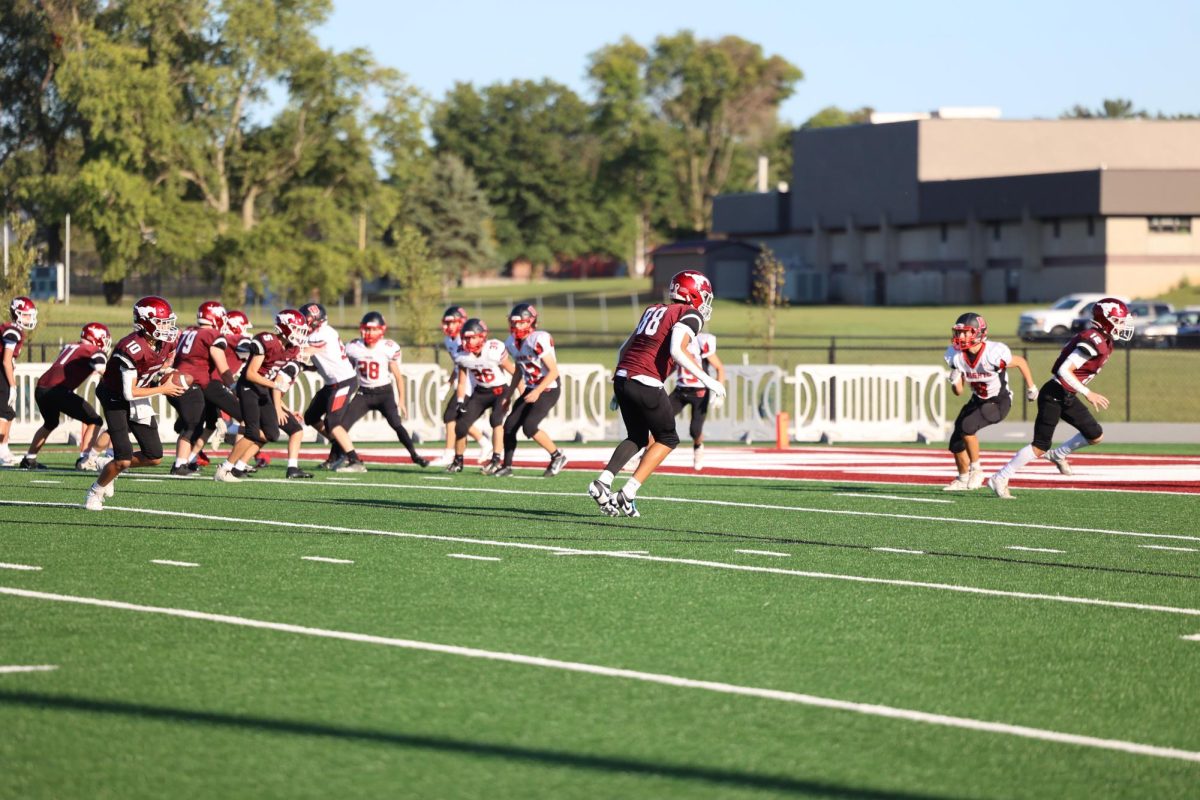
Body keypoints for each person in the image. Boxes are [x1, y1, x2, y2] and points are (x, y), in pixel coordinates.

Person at [589, 271, 725, 517]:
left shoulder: (653, 309)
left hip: (623, 376)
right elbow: (677, 350)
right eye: (703, 296)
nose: (705, 302)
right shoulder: (689, 314)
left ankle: (602, 482)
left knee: (638, 437)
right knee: (668, 438)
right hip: (645, 379)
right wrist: (708, 380)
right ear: (692, 293)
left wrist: (618, 385)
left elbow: (625, 347)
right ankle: (628, 492)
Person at [988, 298, 1132, 499]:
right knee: (1039, 446)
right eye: (1119, 320)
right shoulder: (1093, 339)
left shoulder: (1104, 340)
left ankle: (1059, 454)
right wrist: (1088, 393)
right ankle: (1000, 477)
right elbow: (1065, 370)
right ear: (1106, 319)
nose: (1123, 324)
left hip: (1067, 394)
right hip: (1054, 394)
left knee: (1095, 435)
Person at [84, 297, 186, 510]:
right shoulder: (130, 348)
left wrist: (167, 371)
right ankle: (95, 491)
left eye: (168, 321)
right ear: (146, 322)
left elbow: (169, 357)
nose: (167, 326)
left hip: (139, 393)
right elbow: (130, 392)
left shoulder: (169, 340)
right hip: (116, 397)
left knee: (154, 456)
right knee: (122, 459)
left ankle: (106, 464)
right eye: (162, 322)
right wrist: (164, 389)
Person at [942, 312, 1036, 491]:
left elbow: (1020, 362)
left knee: (968, 427)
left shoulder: (992, 353)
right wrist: (954, 380)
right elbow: (959, 392)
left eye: (965, 332)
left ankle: (976, 469)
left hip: (998, 401)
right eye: (958, 332)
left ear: (978, 333)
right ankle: (962, 479)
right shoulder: (956, 356)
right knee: (956, 439)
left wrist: (1031, 387)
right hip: (977, 399)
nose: (960, 337)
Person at [215, 309, 309, 482]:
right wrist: (275, 384)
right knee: (252, 432)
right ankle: (225, 468)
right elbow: (250, 374)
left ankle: (230, 431)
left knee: (272, 434)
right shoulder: (267, 341)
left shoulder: (292, 349)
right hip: (249, 387)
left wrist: (283, 407)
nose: (299, 333)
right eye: (296, 328)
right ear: (284, 327)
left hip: (263, 390)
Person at [338, 311, 429, 467]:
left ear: (381, 330)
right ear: (361, 329)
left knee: (396, 424)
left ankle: (415, 455)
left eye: (374, 329)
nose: (370, 333)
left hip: (384, 393)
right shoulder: (353, 347)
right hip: (364, 393)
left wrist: (401, 401)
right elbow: (347, 371)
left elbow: (399, 377)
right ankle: (335, 457)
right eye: (367, 329)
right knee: (341, 426)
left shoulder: (388, 347)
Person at [20, 322, 112, 470]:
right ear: (98, 338)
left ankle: (29, 458)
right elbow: (102, 369)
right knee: (94, 420)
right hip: (58, 390)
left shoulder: (71, 346)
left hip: (41, 388)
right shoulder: (93, 350)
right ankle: (85, 459)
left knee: (50, 423)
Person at [492, 303, 567, 478]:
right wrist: (509, 395)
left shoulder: (538, 339)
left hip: (548, 388)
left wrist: (538, 391)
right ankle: (507, 465)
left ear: (531, 322)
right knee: (509, 425)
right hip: (532, 388)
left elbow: (553, 371)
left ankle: (558, 456)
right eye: (514, 323)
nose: (516, 326)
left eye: (520, 323)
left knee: (529, 426)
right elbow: (519, 368)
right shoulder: (511, 342)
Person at [167, 301, 235, 476]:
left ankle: (187, 461)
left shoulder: (189, 331)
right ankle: (180, 464)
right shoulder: (211, 334)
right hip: (190, 384)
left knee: (193, 423)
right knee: (193, 424)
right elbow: (223, 368)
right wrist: (234, 387)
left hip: (178, 380)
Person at [297, 302, 365, 473]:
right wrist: (306, 367)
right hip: (332, 383)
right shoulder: (320, 333)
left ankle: (355, 460)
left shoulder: (323, 333)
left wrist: (284, 351)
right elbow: (321, 361)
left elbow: (307, 351)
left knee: (333, 422)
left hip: (343, 382)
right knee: (311, 416)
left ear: (316, 322)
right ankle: (339, 447)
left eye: (306, 321)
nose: (302, 324)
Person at [446, 318, 515, 474]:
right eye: (466, 338)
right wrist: (460, 400)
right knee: (461, 425)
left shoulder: (493, 349)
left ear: (482, 336)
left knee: (496, 419)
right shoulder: (462, 354)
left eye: (472, 337)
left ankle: (496, 459)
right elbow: (462, 382)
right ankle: (458, 461)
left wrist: (522, 392)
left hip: (499, 390)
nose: (468, 341)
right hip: (481, 391)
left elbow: (514, 371)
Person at [188, 309, 251, 471]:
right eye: (243, 327)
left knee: (209, 425)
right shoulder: (236, 340)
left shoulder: (218, 337)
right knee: (247, 418)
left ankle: (190, 459)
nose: (245, 332)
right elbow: (253, 349)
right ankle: (237, 461)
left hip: (205, 384)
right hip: (214, 385)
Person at [431, 306, 489, 466]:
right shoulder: (449, 340)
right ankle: (483, 442)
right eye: (447, 323)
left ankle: (450, 454)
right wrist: (448, 384)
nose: (448, 327)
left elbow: (471, 364)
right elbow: (458, 366)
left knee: (451, 416)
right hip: (463, 383)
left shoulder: (464, 340)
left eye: (452, 323)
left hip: (473, 383)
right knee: (455, 418)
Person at [668, 329, 726, 471]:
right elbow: (672, 366)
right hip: (681, 389)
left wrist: (718, 392)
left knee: (695, 430)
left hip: (699, 391)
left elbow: (719, 368)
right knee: (658, 419)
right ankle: (641, 454)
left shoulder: (701, 341)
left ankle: (698, 447)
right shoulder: (676, 338)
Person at [0, 296, 38, 466]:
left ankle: (4, 448)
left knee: (8, 412)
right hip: (1, 373)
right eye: (26, 315)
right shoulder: (13, 331)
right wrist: (13, 385)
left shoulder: (14, 330)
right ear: (17, 314)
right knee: (2, 412)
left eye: (31, 315)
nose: (30, 319)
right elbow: (6, 360)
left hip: (3, 373)